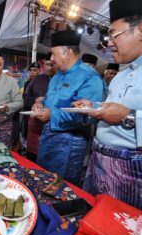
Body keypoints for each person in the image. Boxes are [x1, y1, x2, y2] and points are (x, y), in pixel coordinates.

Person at [73, 0, 142, 235]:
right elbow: (118, 109)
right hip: (100, 172)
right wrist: (96, 108)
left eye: (114, 34)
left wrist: (129, 117)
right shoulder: (122, 74)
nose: (108, 42)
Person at [32, 30, 104, 185]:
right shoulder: (57, 76)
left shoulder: (89, 77)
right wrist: (39, 104)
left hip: (69, 143)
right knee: (42, 181)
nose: (51, 59)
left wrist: (52, 115)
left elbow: (86, 115)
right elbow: (49, 100)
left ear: (68, 53)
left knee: (61, 188)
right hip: (47, 137)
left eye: (54, 54)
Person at [23, 53, 57, 162]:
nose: (50, 68)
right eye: (47, 64)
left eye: (52, 65)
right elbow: (26, 96)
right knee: (32, 158)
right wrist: (35, 101)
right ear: (43, 65)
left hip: (53, 125)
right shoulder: (37, 79)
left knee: (48, 159)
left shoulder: (59, 80)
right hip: (35, 125)